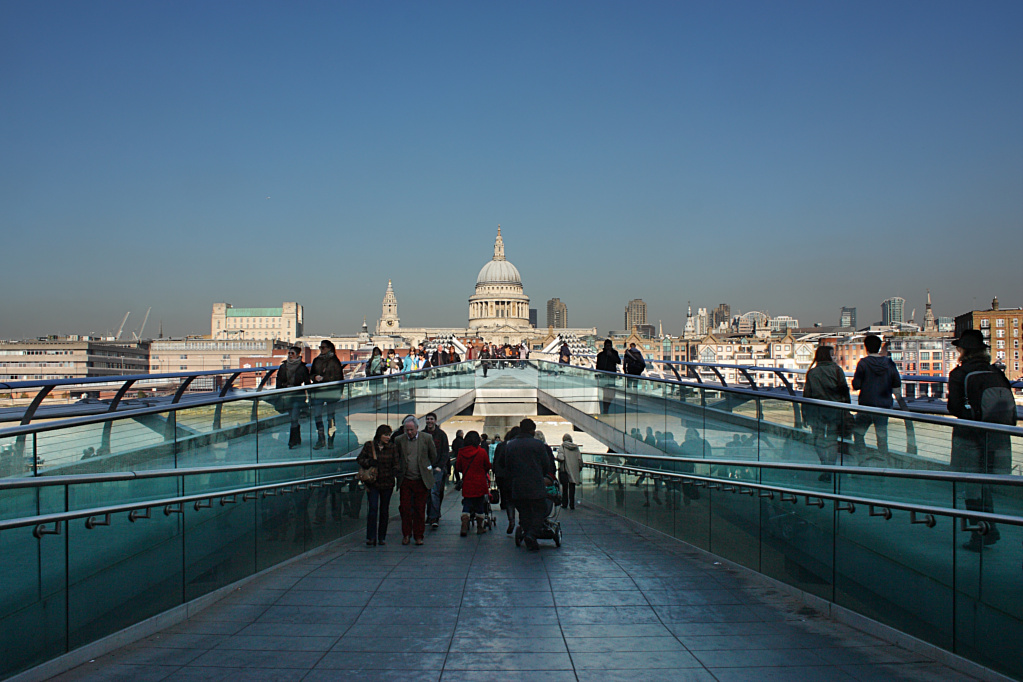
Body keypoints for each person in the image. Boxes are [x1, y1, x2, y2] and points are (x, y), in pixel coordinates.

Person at [947, 329, 1016, 551]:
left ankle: (980, 533)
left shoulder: (959, 373)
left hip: (969, 435)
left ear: (963, 350)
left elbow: (954, 407)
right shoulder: (996, 372)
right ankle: (989, 527)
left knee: (972, 486)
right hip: (997, 436)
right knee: (985, 484)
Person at [502, 419, 555, 550]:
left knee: (524, 512)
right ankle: (531, 534)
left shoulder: (510, 445)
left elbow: (507, 466)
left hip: (518, 485)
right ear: (532, 430)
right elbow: (546, 464)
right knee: (539, 511)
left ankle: (527, 532)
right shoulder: (538, 445)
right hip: (536, 485)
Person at [802, 345, 851, 479]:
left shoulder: (812, 373)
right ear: (828, 356)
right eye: (832, 354)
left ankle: (824, 464)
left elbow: (807, 394)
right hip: (834, 410)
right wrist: (847, 409)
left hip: (816, 411)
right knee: (832, 440)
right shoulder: (836, 370)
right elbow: (844, 391)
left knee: (818, 439)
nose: (834, 357)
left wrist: (804, 413)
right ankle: (831, 466)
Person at [851, 334, 902, 465]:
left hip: (866, 405)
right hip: (884, 406)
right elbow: (896, 383)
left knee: (858, 433)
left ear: (866, 347)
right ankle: (883, 462)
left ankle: (862, 459)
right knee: (882, 437)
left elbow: (856, 385)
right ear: (880, 347)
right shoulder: (889, 363)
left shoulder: (863, 363)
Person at [393, 415, 437, 545]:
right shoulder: (399, 440)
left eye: (412, 430)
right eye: (407, 430)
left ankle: (419, 535)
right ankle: (406, 534)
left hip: (421, 479)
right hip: (406, 479)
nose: (409, 432)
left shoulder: (426, 438)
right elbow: (397, 457)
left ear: (417, 428)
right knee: (405, 508)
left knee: (419, 508)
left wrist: (427, 467)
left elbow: (433, 455)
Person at [358, 424, 399, 546]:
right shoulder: (369, 446)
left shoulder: (392, 447)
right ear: (379, 435)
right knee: (373, 509)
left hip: (387, 483)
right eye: (386, 435)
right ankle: (371, 537)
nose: (388, 437)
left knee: (384, 510)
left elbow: (397, 464)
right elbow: (359, 459)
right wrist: (369, 462)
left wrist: (393, 473)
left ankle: (382, 536)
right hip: (373, 482)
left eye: (389, 435)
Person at [310, 340, 344, 450]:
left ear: (329, 348)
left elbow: (339, 378)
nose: (321, 349)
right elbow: (311, 374)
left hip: (331, 392)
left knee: (330, 417)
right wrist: (315, 377)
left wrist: (324, 379)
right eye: (320, 347)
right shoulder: (316, 360)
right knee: (317, 416)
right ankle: (321, 439)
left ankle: (330, 440)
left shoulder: (335, 361)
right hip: (318, 392)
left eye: (323, 347)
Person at [456, 431, 492, 536]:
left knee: (467, 503)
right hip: (480, 482)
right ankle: (480, 527)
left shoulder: (461, 452)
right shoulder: (482, 452)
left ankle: (464, 525)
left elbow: (458, 467)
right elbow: (488, 466)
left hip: (467, 482)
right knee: (479, 504)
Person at [276, 346, 310, 449]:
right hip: (286, 395)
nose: (290, 355)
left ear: (298, 355)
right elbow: (278, 380)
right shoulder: (283, 366)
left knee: (294, 418)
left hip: (297, 395)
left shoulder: (302, 367)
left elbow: (307, 382)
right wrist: (278, 393)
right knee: (292, 417)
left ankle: (292, 441)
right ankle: (297, 438)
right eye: (289, 353)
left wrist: (309, 396)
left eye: (292, 353)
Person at [423, 412, 450, 529]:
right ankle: (432, 515)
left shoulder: (441, 435)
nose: (429, 421)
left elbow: (445, 452)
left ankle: (433, 517)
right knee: (428, 493)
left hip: (437, 468)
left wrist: (440, 466)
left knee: (434, 492)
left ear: (435, 420)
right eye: (428, 419)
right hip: (426, 468)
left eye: (431, 419)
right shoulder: (423, 434)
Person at [490, 427, 518, 533]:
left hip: (501, 473)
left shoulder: (501, 446)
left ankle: (504, 505)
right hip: (513, 475)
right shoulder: (515, 446)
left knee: (504, 491)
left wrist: (495, 470)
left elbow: (497, 459)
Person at [557, 433, 582, 510]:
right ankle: (572, 504)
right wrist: (579, 468)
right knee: (572, 487)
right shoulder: (576, 448)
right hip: (574, 470)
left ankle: (565, 503)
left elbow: (561, 458)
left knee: (565, 488)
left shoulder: (562, 447)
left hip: (565, 470)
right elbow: (580, 460)